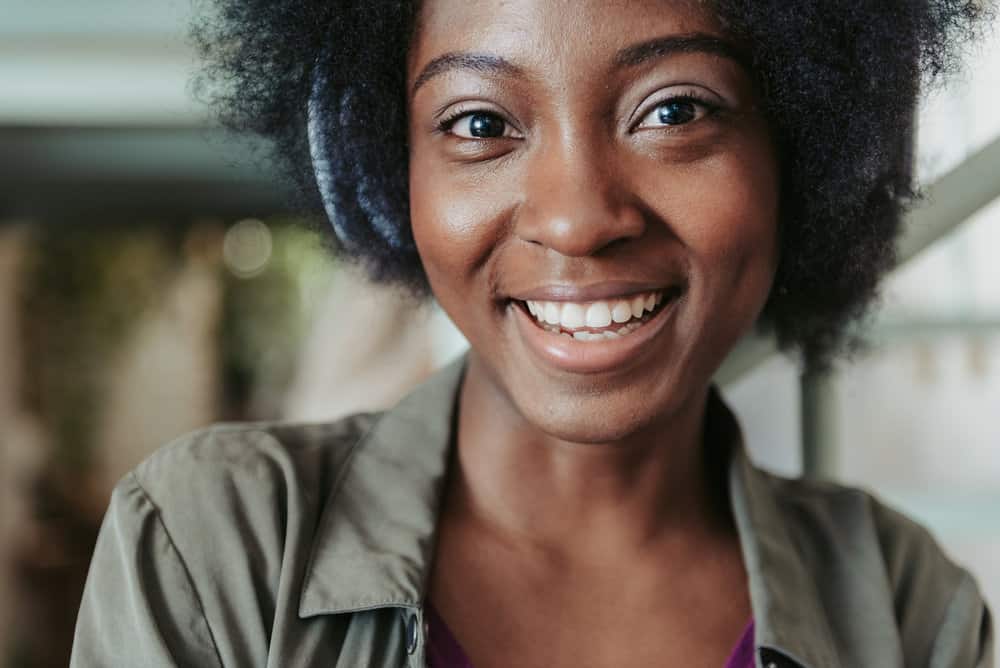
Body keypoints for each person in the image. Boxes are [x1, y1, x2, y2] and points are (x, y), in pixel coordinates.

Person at [72, 1, 994, 666]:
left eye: (673, 110)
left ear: (797, 152)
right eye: (479, 123)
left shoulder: (903, 605)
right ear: (395, 172)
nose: (577, 217)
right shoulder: (213, 550)